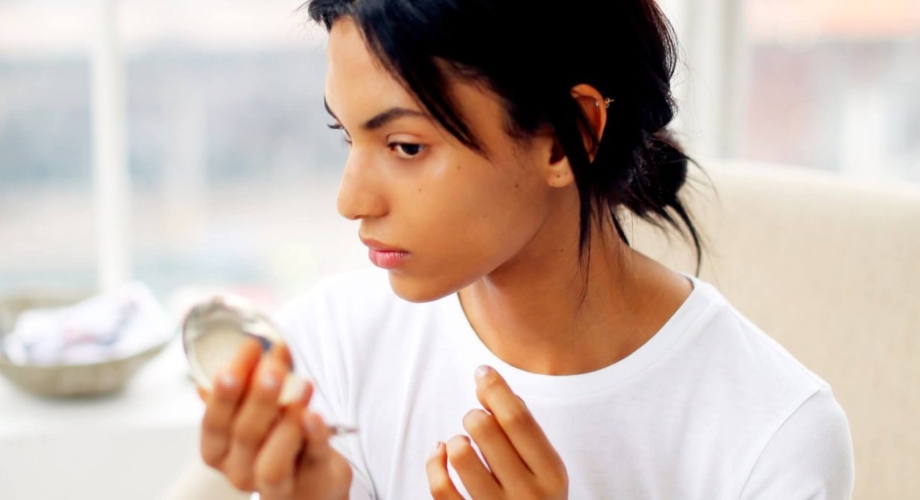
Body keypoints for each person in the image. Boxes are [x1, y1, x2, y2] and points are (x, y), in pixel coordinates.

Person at [196, 0, 855, 498]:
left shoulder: (774, 434)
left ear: (564, 138)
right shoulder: (330, 352)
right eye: (347, 138)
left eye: (404, 147)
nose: (351, 201)